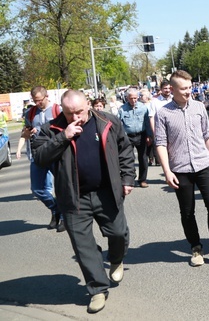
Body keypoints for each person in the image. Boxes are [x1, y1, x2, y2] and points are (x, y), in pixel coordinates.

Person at [33, 90, 134, 314]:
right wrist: (64, 136)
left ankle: (116, 259)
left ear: (88, 104)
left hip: (106, 192)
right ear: (62, 110)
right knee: (83, 246)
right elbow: (39, 157)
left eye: (79, 111)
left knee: (118, 233)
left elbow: (124, 149)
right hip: (73, 198)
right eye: (70, 113)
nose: (76, 117)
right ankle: (98, 290)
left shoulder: (108, 121)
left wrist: (127, 178)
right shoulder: (52, 129)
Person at [154, 70, 209, 268]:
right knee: (187, 211)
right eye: (184, 89)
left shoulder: (198, 107)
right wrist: (167, 171)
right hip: (180, 168)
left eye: (190, 87)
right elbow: (161, 143)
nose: (188, 92)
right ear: (172, 89)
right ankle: (196, 248)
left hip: (203, 163)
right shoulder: (163, 113)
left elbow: (207, 134)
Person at [16, 86, 64, 232]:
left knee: (62, 187)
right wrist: (28, 132)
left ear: (46, 96)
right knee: (37, 189)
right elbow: (25, 133)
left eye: (39, 100)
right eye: (35, 101)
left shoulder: (58, 110)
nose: (37, 103)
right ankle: (56, 209)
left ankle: (64, 217)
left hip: (56, 154)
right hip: (38, 155)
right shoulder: (30, 113)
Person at [118, 87, 152, 188]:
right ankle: (130, 179)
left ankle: (142, 179)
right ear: (127, 98)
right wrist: (121, 137)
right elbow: (119, 124)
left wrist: (150, 135)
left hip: (141, 135)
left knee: (143, 158)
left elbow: (147, 122)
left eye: (135, 98)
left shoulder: (143, 108)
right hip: (128, 136)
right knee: (129, 158)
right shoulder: (122, 109)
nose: (134, 100)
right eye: (131, 98)